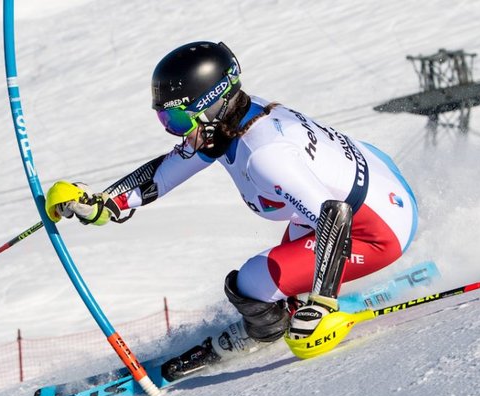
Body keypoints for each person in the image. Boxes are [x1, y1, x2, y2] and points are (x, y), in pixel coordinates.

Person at [45, 41, 417, 378]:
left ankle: (268, 329)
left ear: (211, 105)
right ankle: (282, 306)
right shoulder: (232, 122)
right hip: (374, 184)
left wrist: (322, 305)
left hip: (376, 229)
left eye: (176, 121)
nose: (174, 132)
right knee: (273, 274)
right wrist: (103, 203)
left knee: (251, 282)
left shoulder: (264, 156)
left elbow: (334, 215)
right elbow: (167, 171)